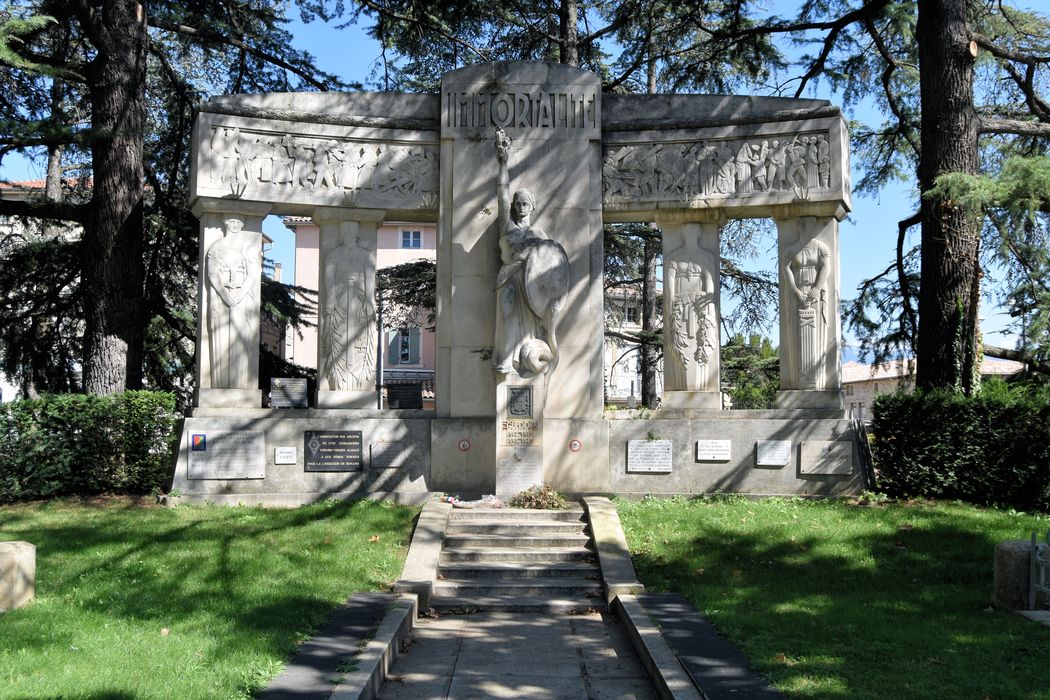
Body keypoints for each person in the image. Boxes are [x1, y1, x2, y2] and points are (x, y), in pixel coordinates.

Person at [492, 127, 564, 377]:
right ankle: (507, 359)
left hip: (532, 285)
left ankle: (527, 358)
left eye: (525, 203)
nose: (521, 207)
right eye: (518, 203)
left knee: (529, 328)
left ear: (532, 207)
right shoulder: (507, 226)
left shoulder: (540, 235)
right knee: (508, 312)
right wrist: (503, 163)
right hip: (509, 277)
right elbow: (501, 194)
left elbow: (551, 265)